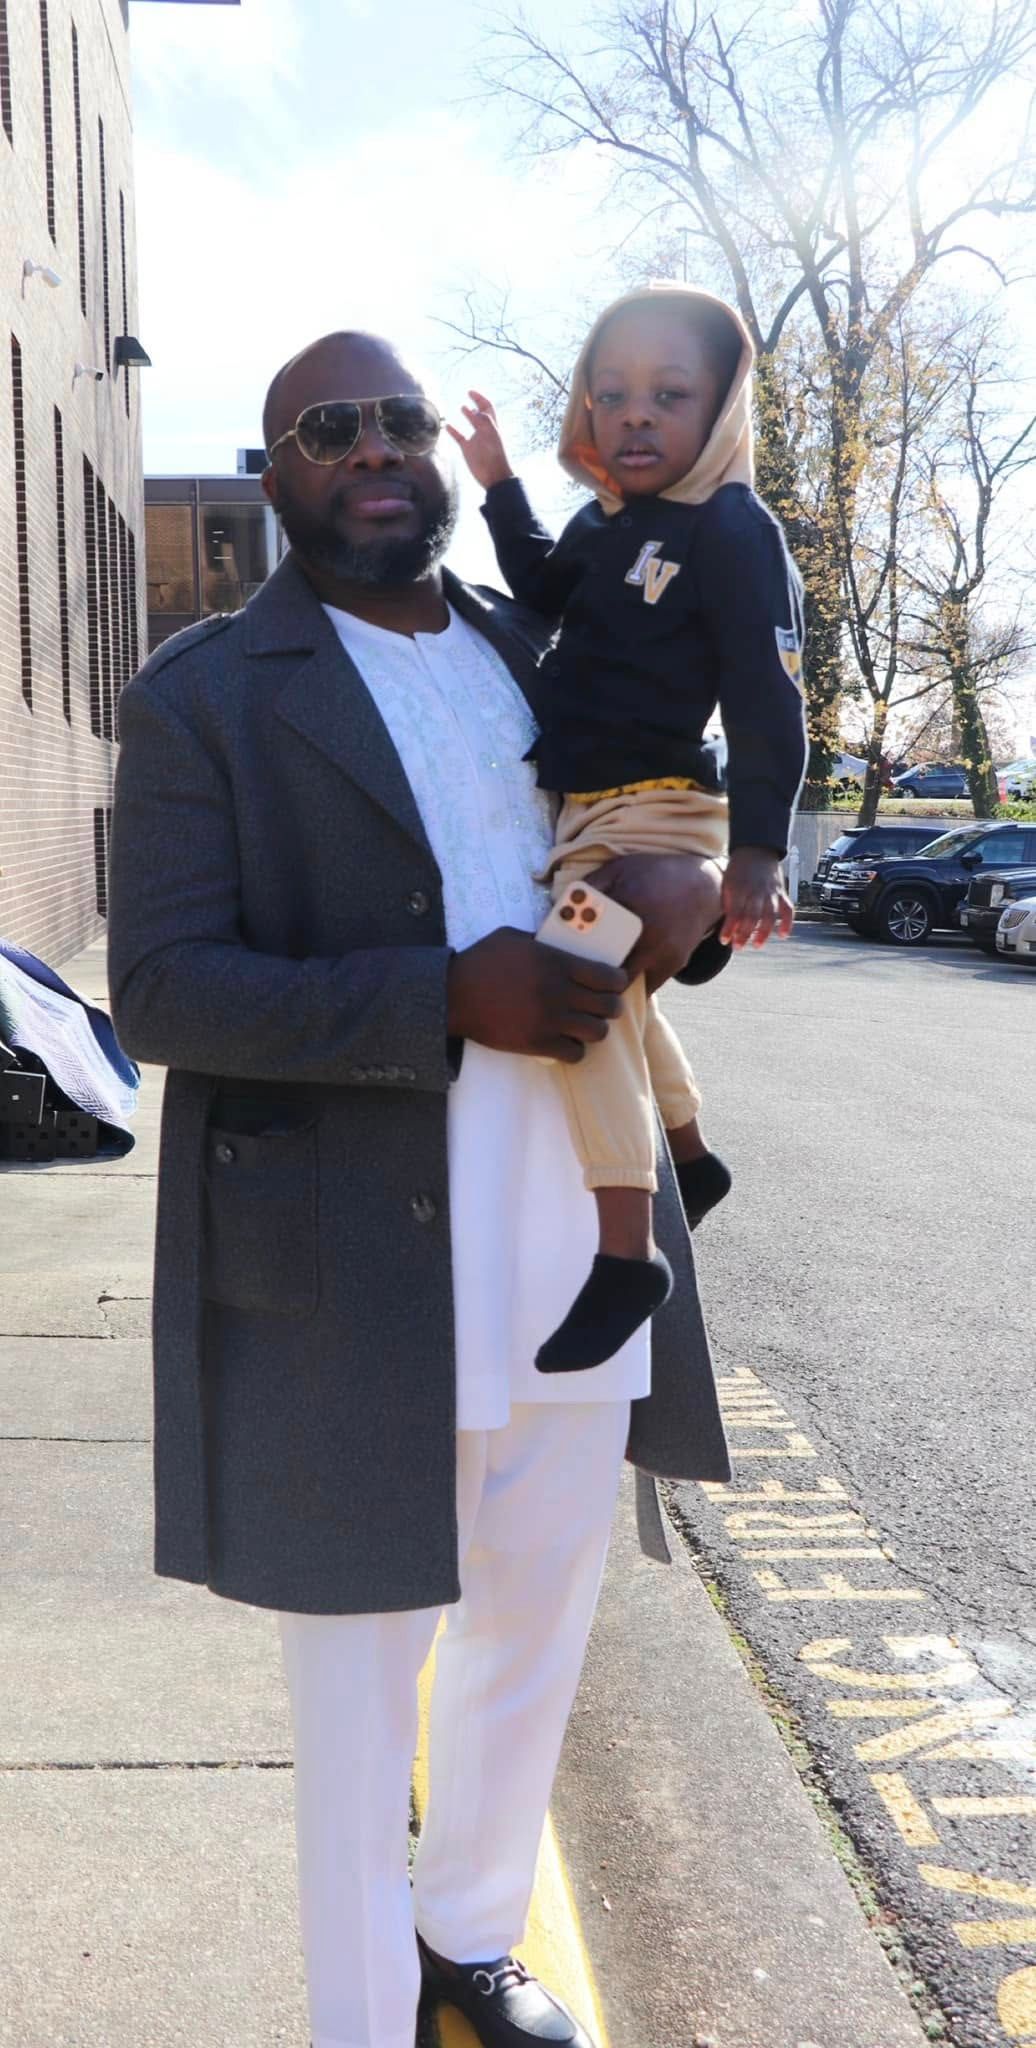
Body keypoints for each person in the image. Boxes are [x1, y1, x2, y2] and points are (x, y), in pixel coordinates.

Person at [108, 327, 733, 2048]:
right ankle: (358, 2017)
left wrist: (673, 904)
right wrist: (439, 996)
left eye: (400, 419)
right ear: (274, 474)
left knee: (533, 1633)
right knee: (361, 1690)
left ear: (445, 463)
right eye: (330, 425)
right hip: (350, 1268)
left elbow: (643, 833)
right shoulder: (204, 692)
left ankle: (468, 1941)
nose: (376, 446)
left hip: (575, 1241)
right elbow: (163, 989)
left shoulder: (542, 649)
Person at [449, 285, 808, 1374]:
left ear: (721, 410)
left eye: (669, 394)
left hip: (661, 802)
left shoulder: (734, 529)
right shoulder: (604, 525)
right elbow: (538, 587)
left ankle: (624, 1248)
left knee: (568, 973)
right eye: (612, 396)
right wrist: (503, 485)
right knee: (614, 991)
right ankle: (689, 1154)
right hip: (585, 813)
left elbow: (766, 695)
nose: (637, 415)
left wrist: (756, 851)